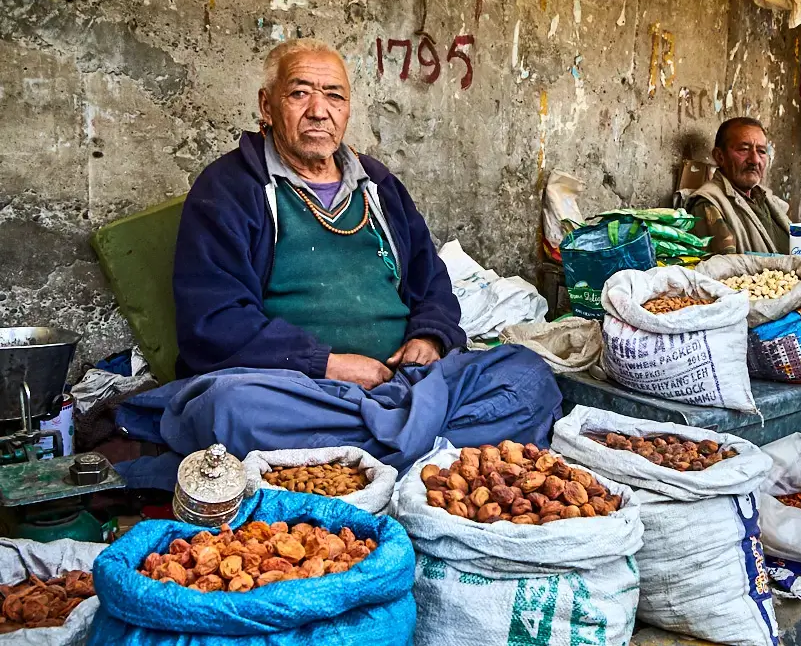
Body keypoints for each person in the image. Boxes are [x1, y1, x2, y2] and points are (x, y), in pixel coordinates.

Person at [114, 39, 560, 489]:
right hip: (302, 391)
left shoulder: (379, 185)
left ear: (347, 109)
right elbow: (213, 321)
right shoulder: (229, 188)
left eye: (334, 95)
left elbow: (432, 283)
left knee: (529, 375)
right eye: (299, 93)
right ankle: (423, 455)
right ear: (266, 107)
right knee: (227, 410)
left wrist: (430, 334)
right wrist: (327, 364)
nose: (318, 110)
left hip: (404, 384)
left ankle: (348, 462)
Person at [687, 118, 792, 255]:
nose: (754, 160)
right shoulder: (709, 203)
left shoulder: (766, 198)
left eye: (761, 151)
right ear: (720, 156)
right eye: (744, 149)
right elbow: (726, 270)